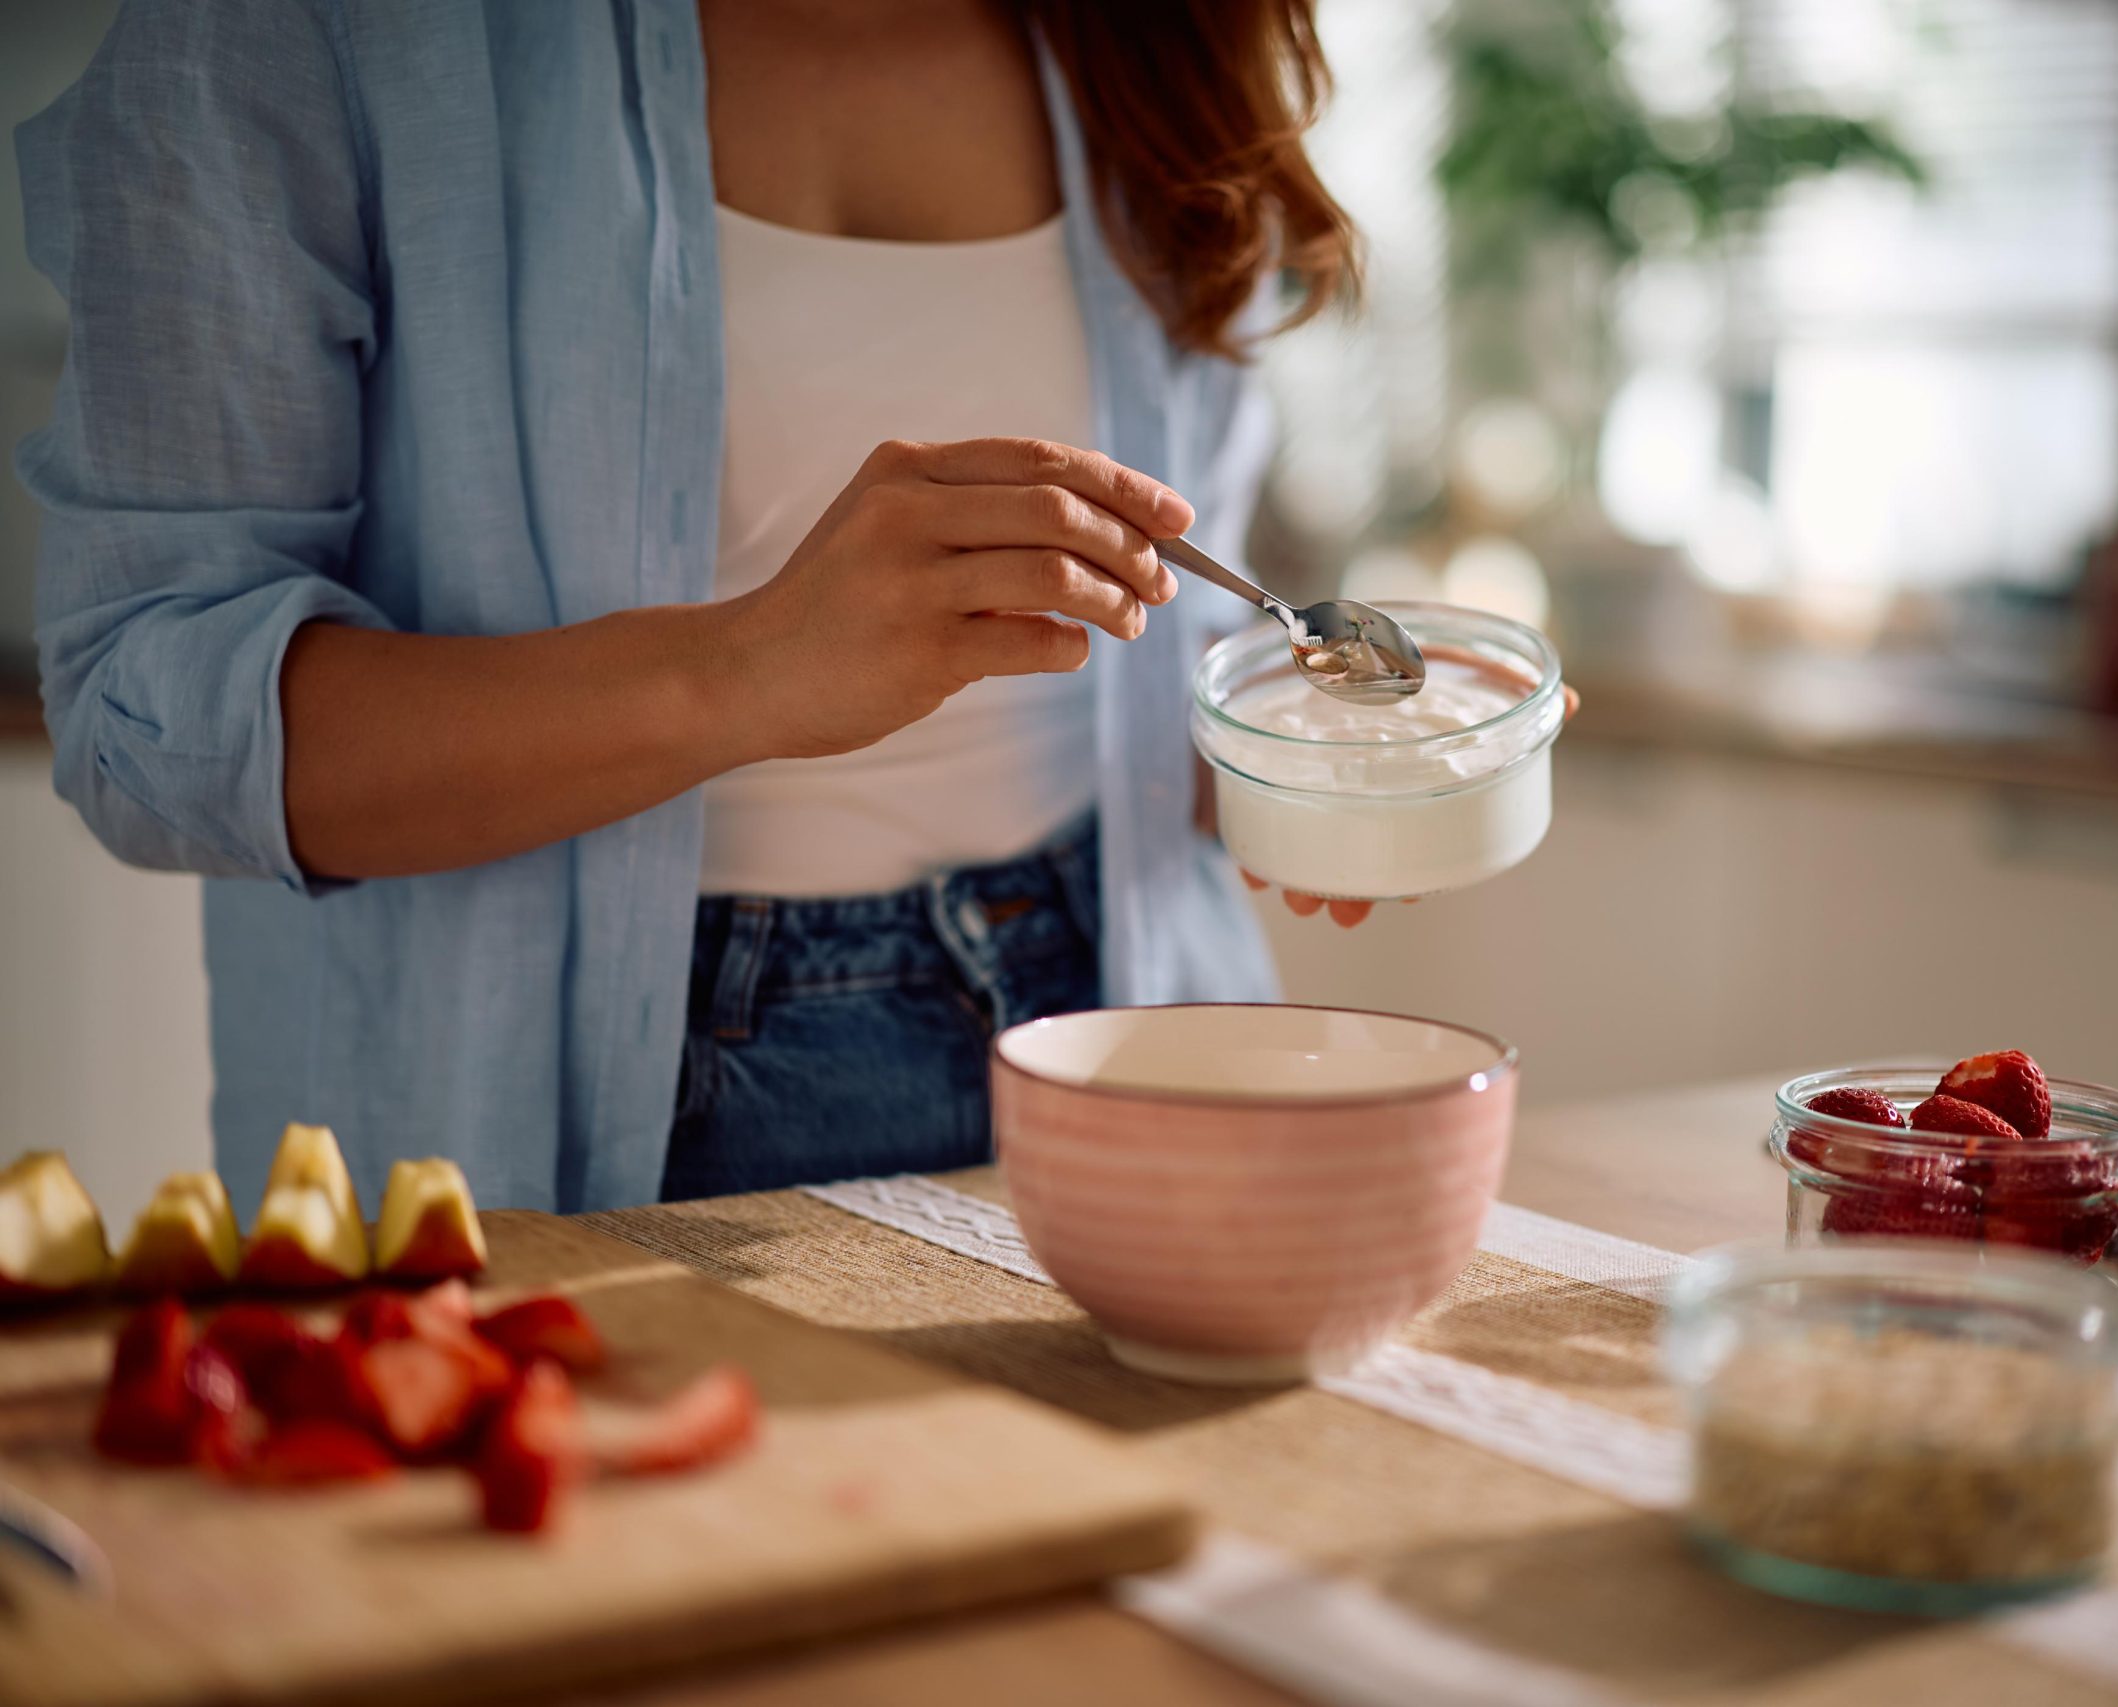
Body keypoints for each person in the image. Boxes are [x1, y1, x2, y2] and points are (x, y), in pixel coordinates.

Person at [17, 0, 1358, 1213]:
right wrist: (750, 670)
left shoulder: (1163, 34)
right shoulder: (321, 30)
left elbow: (1161, 654)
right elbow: (149, 715)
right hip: (596, 1141)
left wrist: (1301, 755)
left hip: (1134, 1052)